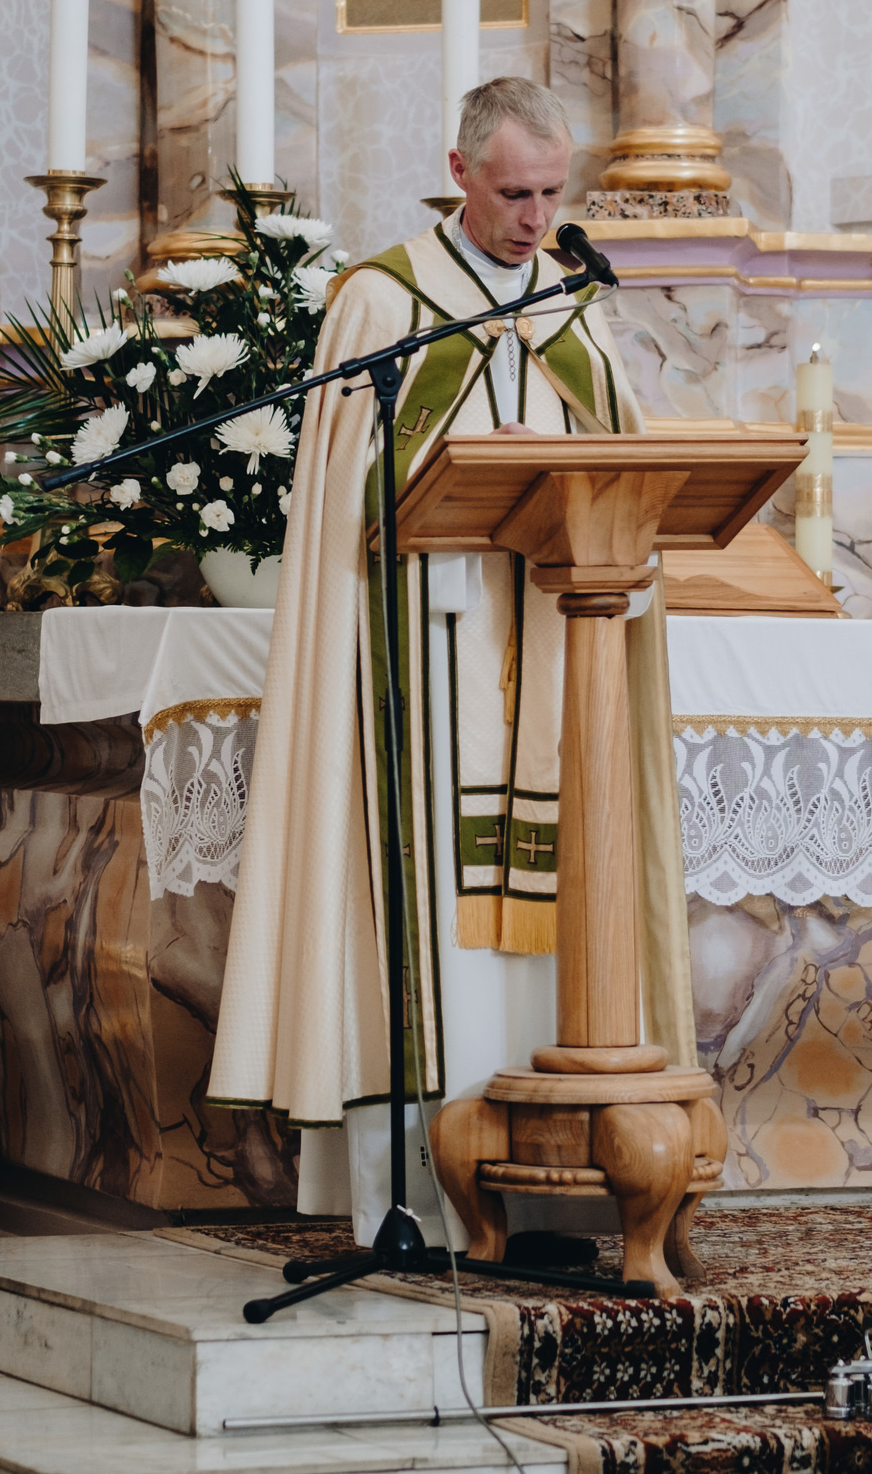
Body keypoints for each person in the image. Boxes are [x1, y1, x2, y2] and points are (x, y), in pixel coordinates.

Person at [210, 77, 693, 1241]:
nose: (536, 217)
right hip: (425, 640)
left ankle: (566, 1175)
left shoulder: (577, 308)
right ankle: (421, 1185)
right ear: (459, 170)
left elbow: (624, 468)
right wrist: (472, 457)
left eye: (550, 193)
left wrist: (565, 465)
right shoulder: (384, 305)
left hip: (552, 629)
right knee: (425, 904)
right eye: (514, 192)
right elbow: (342, 492)